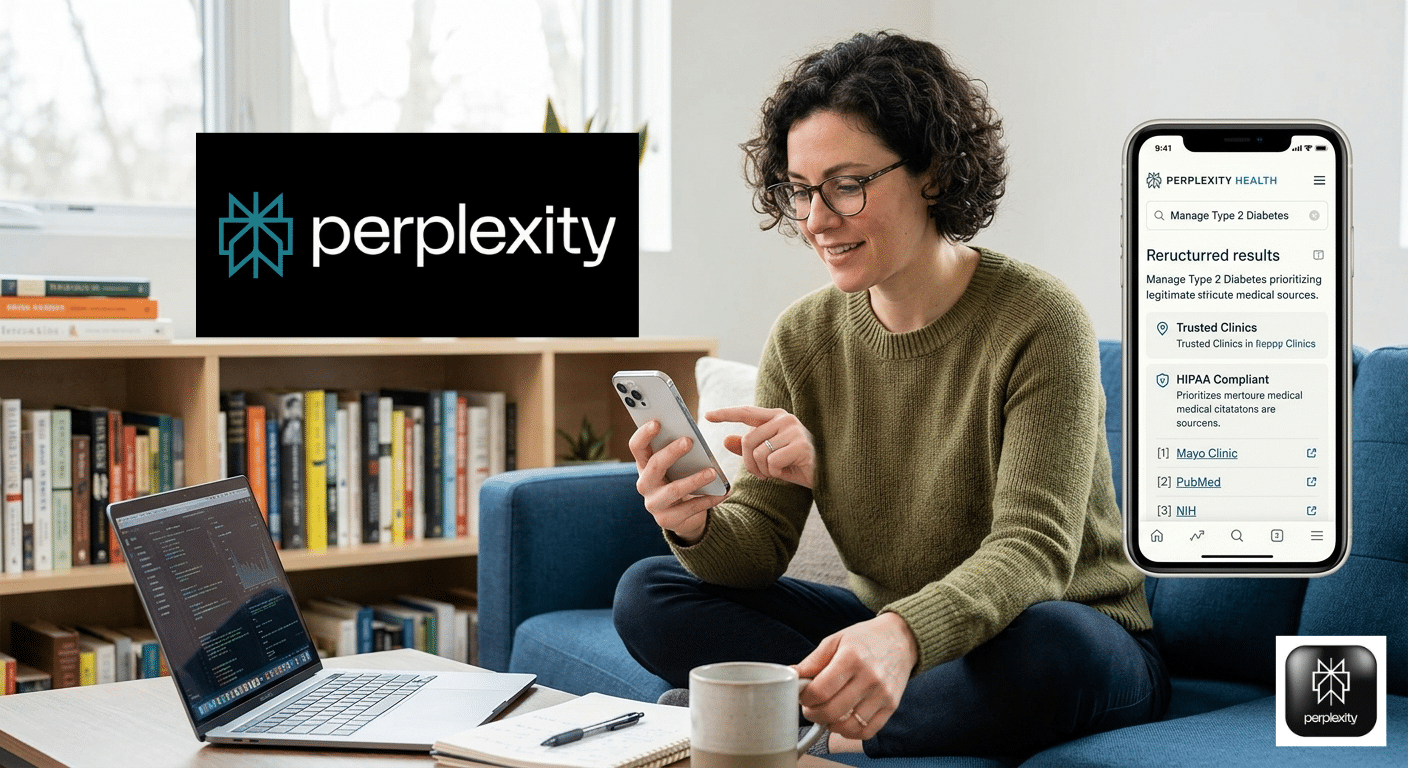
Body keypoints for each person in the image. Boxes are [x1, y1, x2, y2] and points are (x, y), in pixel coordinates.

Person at [612, 31, 1169, 758]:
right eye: (801, 190)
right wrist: (696, 525)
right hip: (890, 633)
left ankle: (794, 724)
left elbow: (1033, 553)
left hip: (1063, 633)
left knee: (1051, 644)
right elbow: (756, 553)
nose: (817, 220)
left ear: (932, 173)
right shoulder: (803, 338)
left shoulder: (1040, 320)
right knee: (650, 593)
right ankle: (844, 709)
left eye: (847, 185)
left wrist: (902, 634)